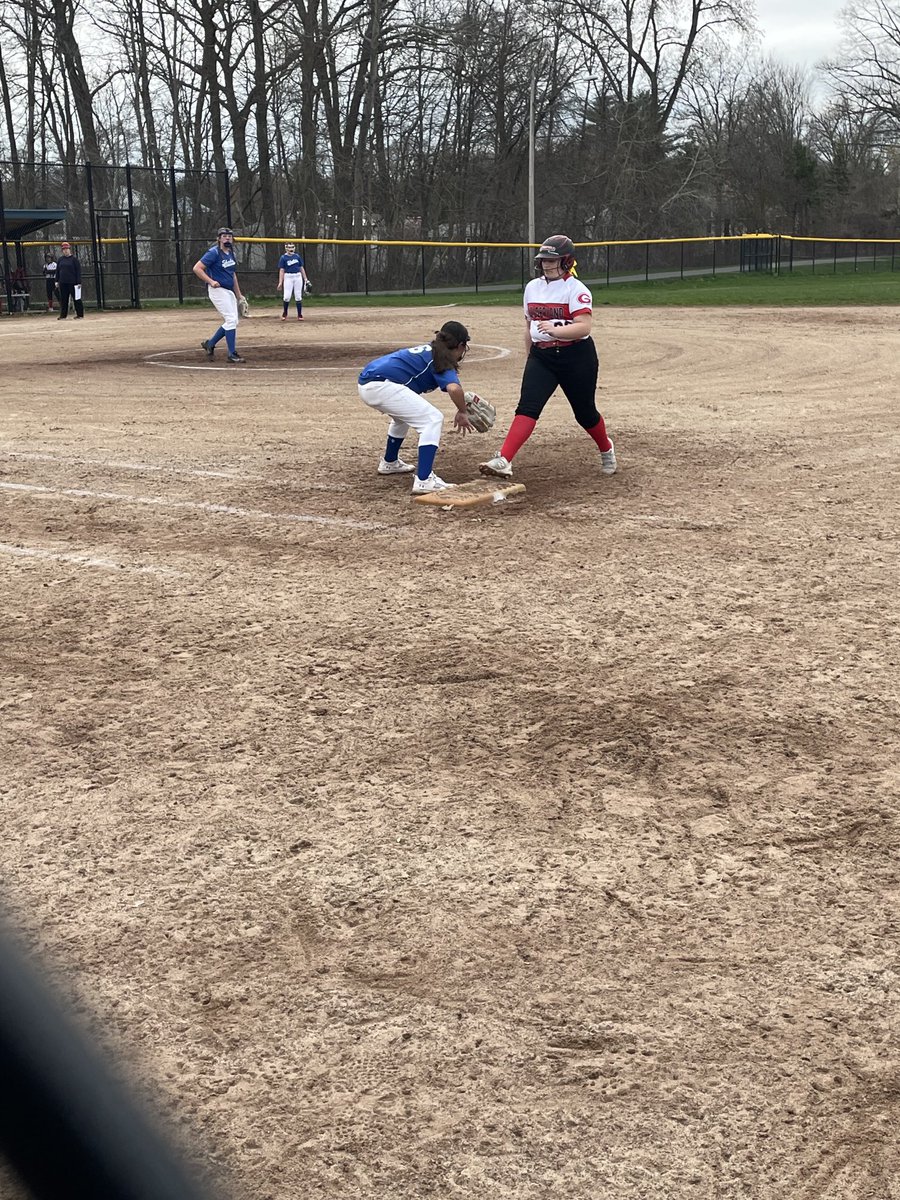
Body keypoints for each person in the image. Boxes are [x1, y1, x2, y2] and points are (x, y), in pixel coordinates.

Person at [480, 233, 616, 481]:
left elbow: (584, 327)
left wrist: (556, 330)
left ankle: (606, 448)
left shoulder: (576, 289)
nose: (547, 264)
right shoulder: (532, 287)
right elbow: (528, 325)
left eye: (553, 259)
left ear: (567, 260)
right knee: (528, 407)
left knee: (584, 413)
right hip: (543, 356)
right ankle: (504, 459)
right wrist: (531, 355)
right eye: (543, 260)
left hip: (577, 356)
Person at [357, 320, 475, 494]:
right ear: (460, 345)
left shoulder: (432, 349)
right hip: (381, 385)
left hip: (369, 382)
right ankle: (424, 480)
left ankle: (389, 462)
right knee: (432, 419)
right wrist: (463, 411)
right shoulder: (442, 358)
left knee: (403, 417)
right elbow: (454, 388)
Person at [192, 226, 247, 363]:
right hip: (218, 290)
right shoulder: (214, 252)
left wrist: (239, 295)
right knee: (230, 320)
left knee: (233, 321)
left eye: (229, 236)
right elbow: (197, 268)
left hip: (228, 291)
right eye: (224, 236)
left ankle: (210, 344)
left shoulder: (231, 253)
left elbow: (232, 274)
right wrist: (211, 281)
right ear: (219, 239)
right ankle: (231, 354)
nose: (227, 238)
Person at [277, 241, 309, 321]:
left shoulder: (297, 256)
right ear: (286, 248)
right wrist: (280, 282)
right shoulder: (283, 258)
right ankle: (285, 313)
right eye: (289, 247)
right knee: (287, 297)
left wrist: (305, 279)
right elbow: (281, 270)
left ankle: (299, 314)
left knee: (298, 296)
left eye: (292, 247)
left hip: (297, 276)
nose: (291, 249)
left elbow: (301, 268)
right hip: (288, 276)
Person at [55, 242, 85, 319]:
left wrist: (78, 282)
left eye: (66, 249)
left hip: (73, 283)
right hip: (63, 282)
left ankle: (80, 314)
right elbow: (57, 271)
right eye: (64, 249)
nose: (65, 251)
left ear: (69, 249)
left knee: (76, 299)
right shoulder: (60, 260)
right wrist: (56, 281)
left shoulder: (74, 260)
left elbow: (78, 271)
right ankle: (63, 315)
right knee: (64, 300)